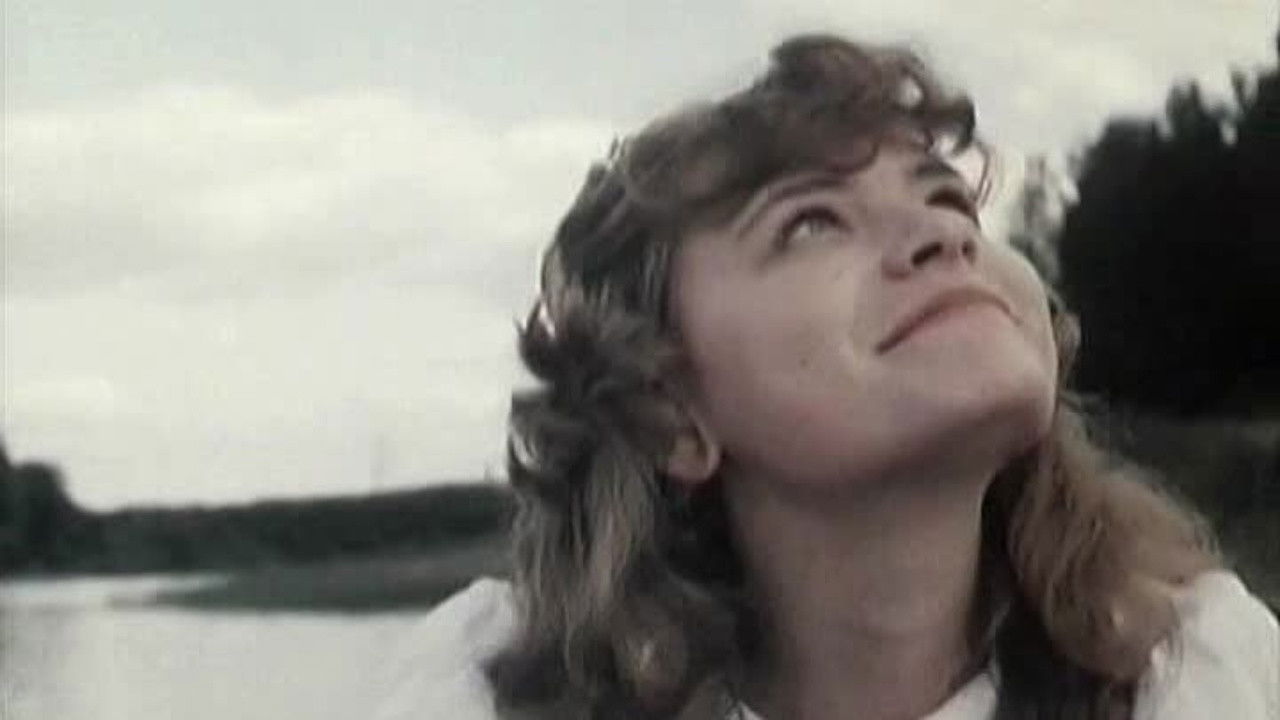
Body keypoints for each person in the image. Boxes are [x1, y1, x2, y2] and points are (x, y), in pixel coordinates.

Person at [375, 34, 1279, 720]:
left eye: (945, 196)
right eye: (810, 224)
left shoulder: (1200, 680)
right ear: (669, 412)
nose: (945, 235)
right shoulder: (485, 695)